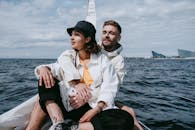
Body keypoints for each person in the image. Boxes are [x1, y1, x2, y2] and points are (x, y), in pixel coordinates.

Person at [26, 20, 134, 130]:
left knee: (125, 120)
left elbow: (110, 87)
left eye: (76, 35)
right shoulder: (70, 57)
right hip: (69, 103)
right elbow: (55, 68)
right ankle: (58, 123)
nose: (71, 38)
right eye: (71, 35)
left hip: (90, 106)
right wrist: (43, 68)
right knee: (45, 78)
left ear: (87, 39)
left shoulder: (103, 61)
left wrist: (95, 107)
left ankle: (69, 128)